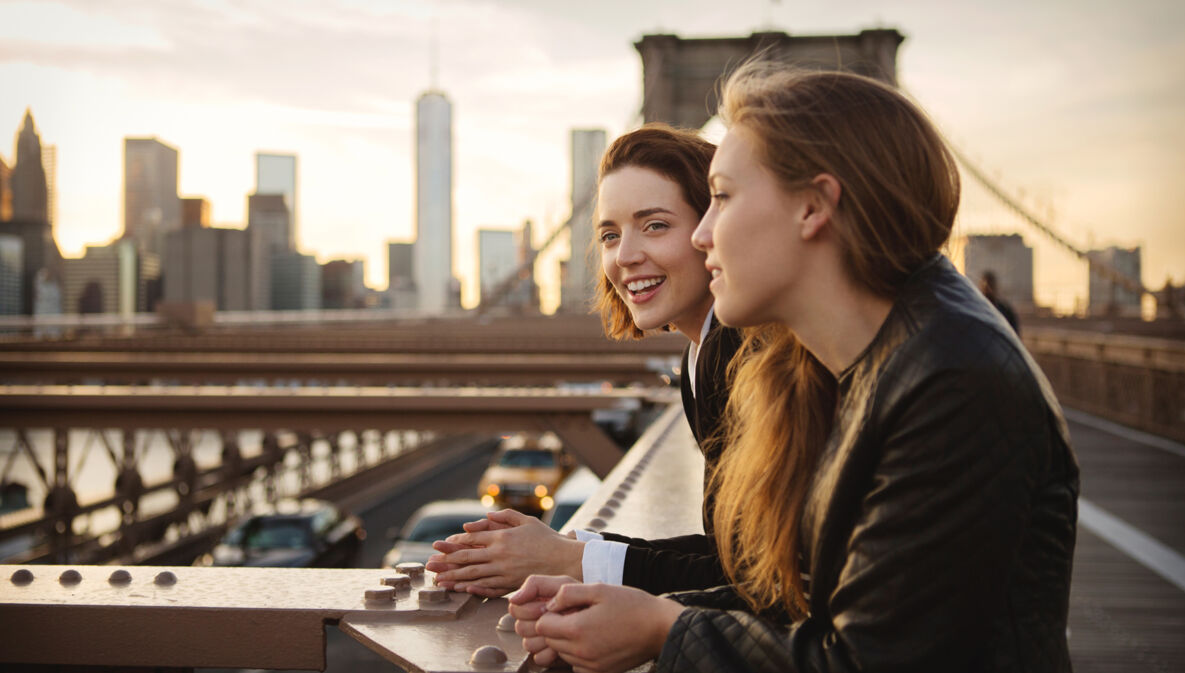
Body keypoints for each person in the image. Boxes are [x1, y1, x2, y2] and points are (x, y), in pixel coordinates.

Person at [509, 63, 1079, 673]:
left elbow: (868, 659)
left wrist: (664, 629)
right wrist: (633, 608)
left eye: (721, 197)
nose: (702, 235)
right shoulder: (884, 358)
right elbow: (807, 600)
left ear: (813, 207)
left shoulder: (952, 382)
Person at [427, 124, 751, 597]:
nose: (626, 256)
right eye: (609, 235)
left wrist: (574, 560)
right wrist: (571, 549)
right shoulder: (702, 355)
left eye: (655, 225)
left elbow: (759, 579)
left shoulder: (741, 353)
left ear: (713, 230)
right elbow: (735, 555)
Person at [979, 270, 1021, 334]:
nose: (988, 289)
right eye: (986, 286)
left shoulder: (1005, 310)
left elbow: (1014, 333)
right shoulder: (977, 309)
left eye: (990, 285)